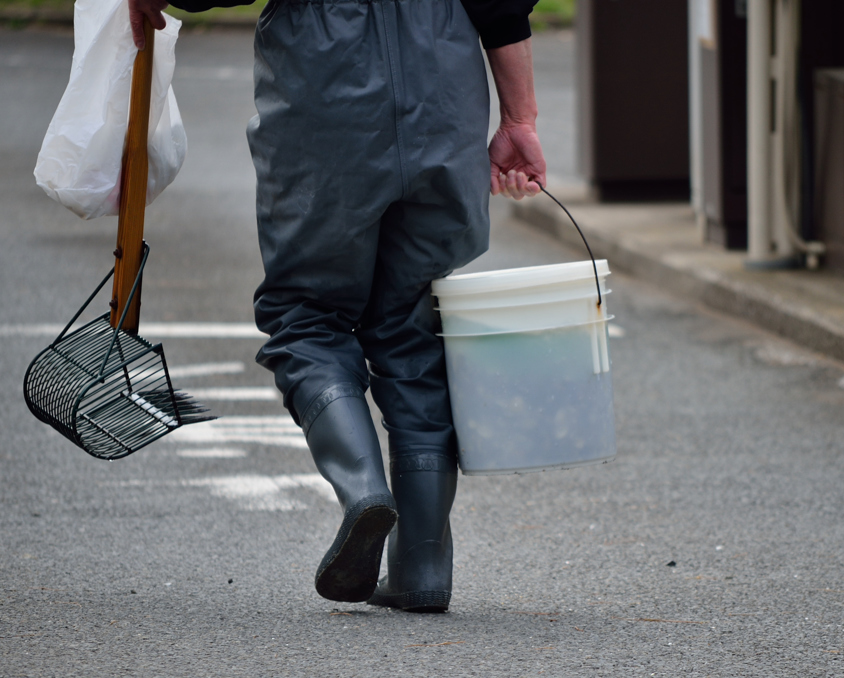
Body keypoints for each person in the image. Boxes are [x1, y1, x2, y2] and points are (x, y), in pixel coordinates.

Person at [128, 0, 547, 612]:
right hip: (443, 77)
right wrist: (520, 116)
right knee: (413, 322)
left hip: (326, 82)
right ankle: (422, 566)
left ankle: (363, 492)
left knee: (306, 313)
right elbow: (502, 4)